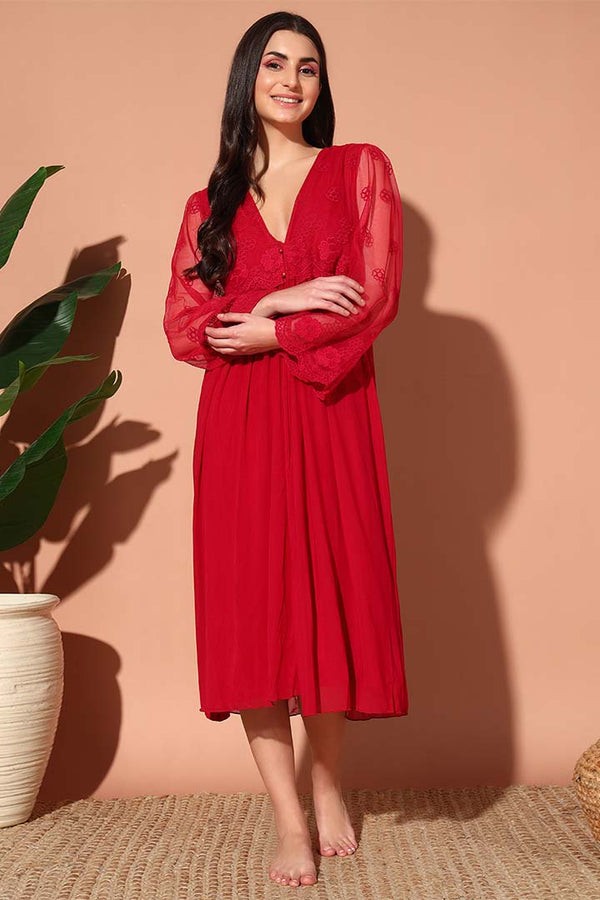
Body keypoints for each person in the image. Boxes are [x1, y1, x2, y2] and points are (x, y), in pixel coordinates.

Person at [163, 11, 409, 889]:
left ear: (321, 84)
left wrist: (273, 330)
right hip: (241, 422)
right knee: (253, 610)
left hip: (329, 405)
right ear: (249, 79)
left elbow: (375, 295)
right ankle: (288, 818)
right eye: (275, 64)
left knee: (328, 598)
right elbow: (185, 328)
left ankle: (330, 785)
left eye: (309, 67)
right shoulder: (210, 205)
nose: (292, 80)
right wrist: (277, 300)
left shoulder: (359, 169)